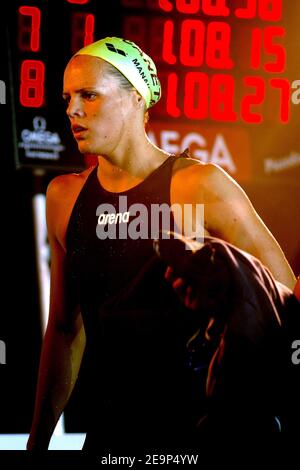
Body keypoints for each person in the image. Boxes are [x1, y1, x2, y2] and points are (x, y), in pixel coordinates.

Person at [27, 37, 297, 451]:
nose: (71, 110)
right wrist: (36, 443)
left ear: (135, 99)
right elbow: (64, 330)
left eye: (89, 95)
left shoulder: (197, 185)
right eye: (67, 97)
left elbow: (285, 303)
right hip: (114, 434)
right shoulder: (65, 199)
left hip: (206, 434)